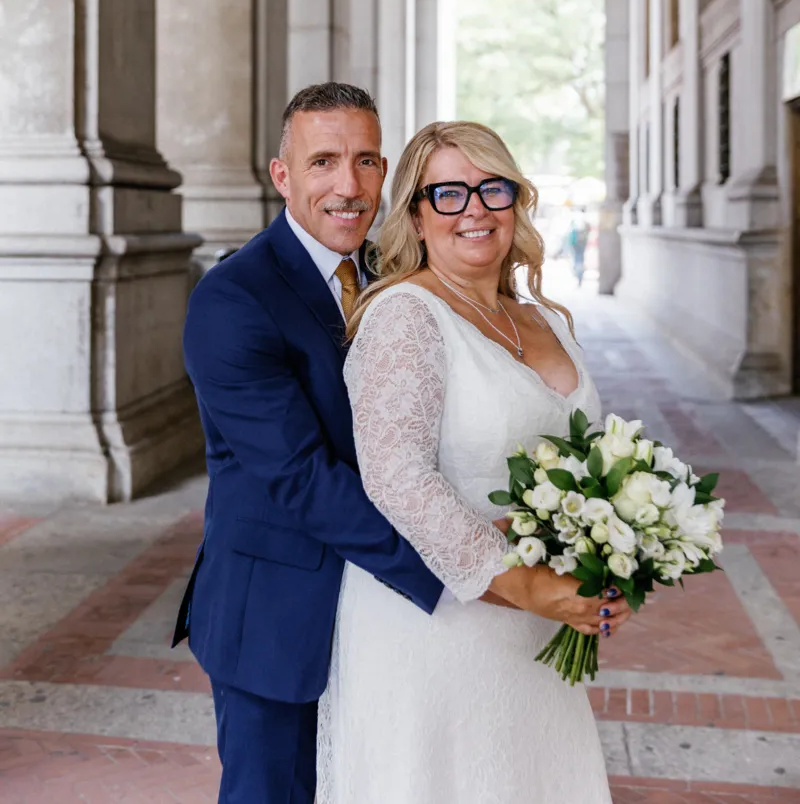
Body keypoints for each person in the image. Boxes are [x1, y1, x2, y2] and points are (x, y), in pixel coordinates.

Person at [317, 120, 630, 804]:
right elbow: (398, 478)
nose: (476, 209)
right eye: (449, 194)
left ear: (516, 200)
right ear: (417, 215)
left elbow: (593, 462)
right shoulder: (405, 314)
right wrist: (525, 584)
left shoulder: (548, 317)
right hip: (438, 628)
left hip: (536, 628)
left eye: (492, 187)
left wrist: (613, 559)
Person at [171, 83, 447, 804]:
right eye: (323, 161)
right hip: (277, 619)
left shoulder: (394, 278)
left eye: (365, 161)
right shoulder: (234, 298)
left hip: (377, 621)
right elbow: (300, 475)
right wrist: (451, 570)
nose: (349, 186)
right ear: (282, 175)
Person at [566, 208, 591, 286]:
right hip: (582, 243)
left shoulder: (574, 219)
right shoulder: (585, 219)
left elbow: (569, 231)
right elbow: (588, 230)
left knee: (576, 259)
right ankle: (580, 275)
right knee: (580, 259)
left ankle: (578, 273)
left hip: (574, 243)